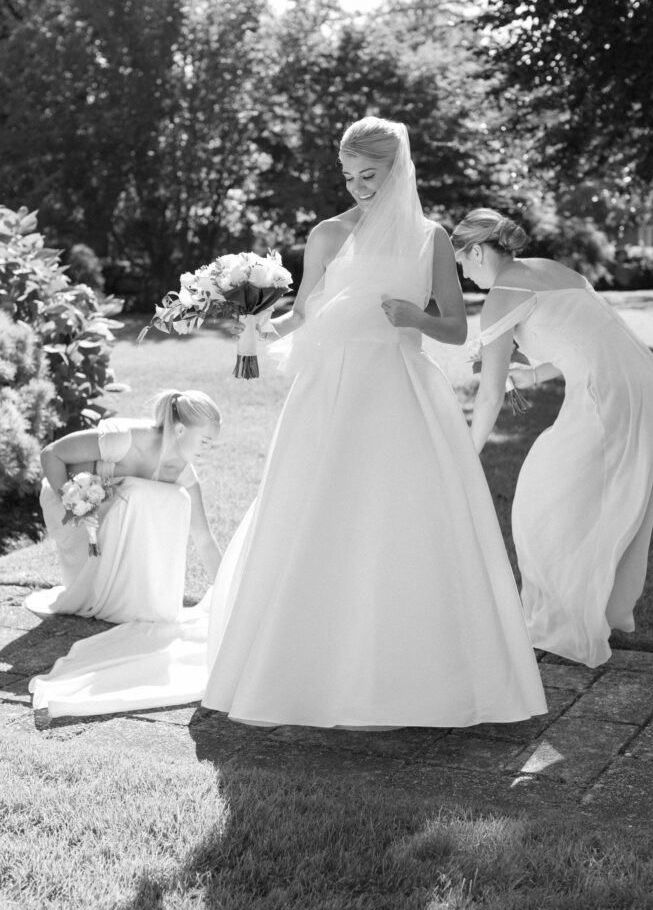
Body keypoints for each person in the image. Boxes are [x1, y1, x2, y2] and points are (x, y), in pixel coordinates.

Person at [202, 117, 547, 728]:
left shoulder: (431, 237)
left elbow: (456, 327)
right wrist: (255, 330)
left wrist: (414, 315)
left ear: (399, 170)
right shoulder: (328, 234)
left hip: (401, 386)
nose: (359, 187)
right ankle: (304, 665)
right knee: (320, 512)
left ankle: (417, 670)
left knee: (402, 516)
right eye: (350, 176)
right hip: (329, 391)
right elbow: (306, 312)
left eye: (371, 175)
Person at [452, 208, 653, 668]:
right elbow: (589, 338)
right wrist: (532, 374)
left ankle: (563, 626)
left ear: (476, 251)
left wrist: (467, 452)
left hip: (607, 393)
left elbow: (490, 394)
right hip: (645, 380)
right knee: (590, 499)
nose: (465, 275)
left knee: (542, 499)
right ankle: (586, 613)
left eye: (462, 264)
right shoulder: (553, 270)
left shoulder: (503, 293)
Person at [25, 390, 222, 624]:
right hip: (69, 502)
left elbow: (204, 538)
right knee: (138, 493)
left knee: (177, 499)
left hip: (107, 507)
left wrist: (227, 588)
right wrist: (73, 505)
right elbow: (51, 454)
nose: (207, 449)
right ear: (180, 430)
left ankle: (133, 595)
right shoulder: (123, 439)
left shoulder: (183, 473)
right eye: (205, 441)